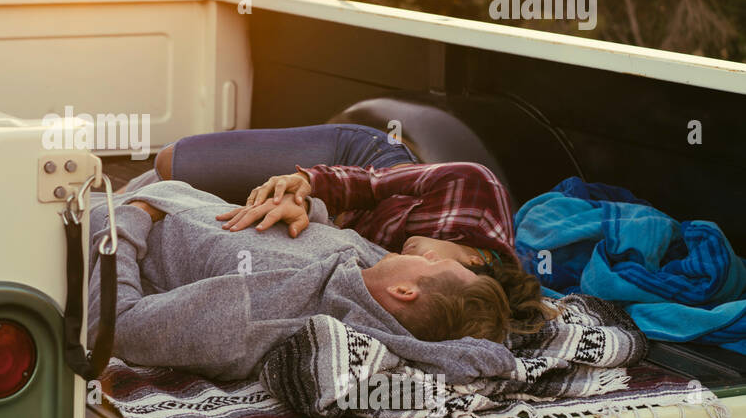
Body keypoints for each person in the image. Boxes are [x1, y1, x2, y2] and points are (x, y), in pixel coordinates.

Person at [87, 179, 512, 382]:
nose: (430, 254)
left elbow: (115, 325)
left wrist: (132, 216)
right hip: (159, 193)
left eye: (435, 264)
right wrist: (302, 205)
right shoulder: (371, 271)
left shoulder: (264, 313)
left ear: (405, 292)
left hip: (101, 217)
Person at [150, 124, 557, 333]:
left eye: (426, 266)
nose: (416, 256)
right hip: (359, 162)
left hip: (323, 218)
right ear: (474, 256)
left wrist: (305, 210)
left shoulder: (440, 294)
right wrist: (304, 187)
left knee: (213, 213)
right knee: (169, 162)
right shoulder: (473, 187)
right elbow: (371, 183)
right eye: (435, 258)